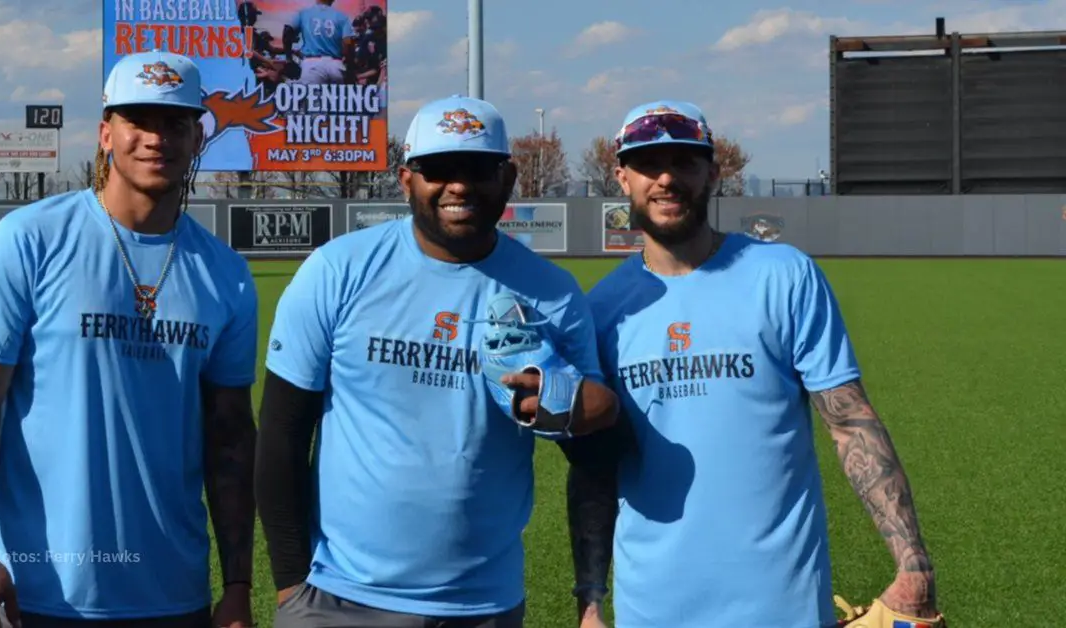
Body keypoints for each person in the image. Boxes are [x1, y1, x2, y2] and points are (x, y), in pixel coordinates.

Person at [563, 100, 943, 627]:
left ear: (713, 173)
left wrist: (914, 563)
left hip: (782, 605)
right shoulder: (602, 311)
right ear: (622, 176)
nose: (667, 178)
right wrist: (590, 602)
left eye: (685, 162)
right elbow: (595, 467)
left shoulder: (784, 275)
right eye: (649, 164)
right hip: (652, 608)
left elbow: (850, 421)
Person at [254, 95, 620, 627]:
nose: (459, 185)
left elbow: (593, 447)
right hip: (339, 599)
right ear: (406, 180)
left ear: (509, 178)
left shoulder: (552, 294)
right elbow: (283, 432)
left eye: (478, 169)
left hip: (481, 606)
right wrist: (291, 585)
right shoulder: (337, 270)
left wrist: (571, 406)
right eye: (438, 169)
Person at [0, 50, 258, 628]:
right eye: (138, 120)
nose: (155, 138)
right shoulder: (28, 240)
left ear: (197, 139)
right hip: (41, 590)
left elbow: (231, 439)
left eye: (175, 123)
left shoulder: (227, 275)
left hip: (174, 594)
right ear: (106, 132)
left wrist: (237, 584)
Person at [283, 0, 354, 85]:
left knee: (312, 97)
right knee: (335, 97)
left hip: (312, 65)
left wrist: (288, 58)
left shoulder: (304, 13)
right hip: (335, 65)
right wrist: (349, 63)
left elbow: (287, 32)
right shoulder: (342, 16)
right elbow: (347, 42)